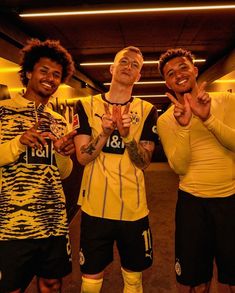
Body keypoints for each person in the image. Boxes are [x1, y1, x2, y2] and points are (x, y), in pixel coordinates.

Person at [73, 46, 158, 293]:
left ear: (138, 76)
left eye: (135, 65)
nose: (128, 66)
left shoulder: (147, 109)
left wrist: (127, 136)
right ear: (112, 68)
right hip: (95, 208)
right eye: (124, 61)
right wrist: (105, 132)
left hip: (133, 209)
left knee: (133, 279)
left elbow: (143, 163)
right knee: (90, 279)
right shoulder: (86, 105)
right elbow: (82, 157)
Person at [0, 39, 77, 293]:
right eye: (44, 71)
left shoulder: (58, 121)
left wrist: (64, 155)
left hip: (53, 220)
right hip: (10, 224)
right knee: (12, 288)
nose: (50, 78)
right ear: (29, 72)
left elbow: (64, 173)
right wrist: (19, 143)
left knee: (52, 284)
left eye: (57, 75)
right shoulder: (2, 111)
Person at [157, 48, 235, 293]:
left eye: (183, 67)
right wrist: (184, 126)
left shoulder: (228, 101)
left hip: (230, 200)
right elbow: (179, 166)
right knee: (195, 281)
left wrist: (208, 118)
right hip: (192, 204)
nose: (178, 74)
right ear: (167, 82)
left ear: (195, 70)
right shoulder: (166, 120)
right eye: (170, 73)